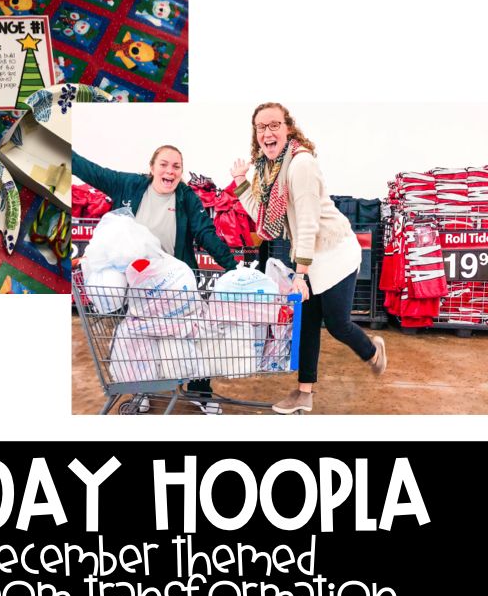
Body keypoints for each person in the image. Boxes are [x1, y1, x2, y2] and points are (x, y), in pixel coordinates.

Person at [230, 103, 387, 415]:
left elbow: (307, 223)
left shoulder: (300, 164)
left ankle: (373, 351)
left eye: (274, 124)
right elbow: (265, 220)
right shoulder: (268, 170)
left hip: (334, 250)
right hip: (309, 257)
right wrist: (240, 181)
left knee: (338, 324)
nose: (267, 132)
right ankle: (304, 394)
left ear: (288, 128)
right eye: (261, 127)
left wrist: (299, 276)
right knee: (308, 323)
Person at [73, 144, 237, 413]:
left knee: (189, 336)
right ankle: (142, 389)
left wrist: (233, 269)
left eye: (176, 166)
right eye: (164, 164)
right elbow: (92, 172)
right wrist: (62, 152)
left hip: (174, 283)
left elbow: (205, 233)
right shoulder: (129, 185)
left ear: (181, 172)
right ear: (152, 168)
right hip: (137, 285)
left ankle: (201, 392)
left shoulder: (185, 197)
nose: (169, 171)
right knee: (140, 338)